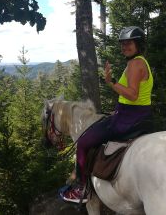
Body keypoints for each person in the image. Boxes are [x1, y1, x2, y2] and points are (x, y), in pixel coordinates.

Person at [60, 26, 154, 204]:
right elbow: (138, 96)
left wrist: (111, 82)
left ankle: (81, 189)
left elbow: (132, 94)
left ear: (138, 44)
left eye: (129, 43)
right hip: (138, 114)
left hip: (128, 119)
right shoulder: (142, 62)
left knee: (83, 142)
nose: (124, 47)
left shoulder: (135, 64)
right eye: (123, 44)